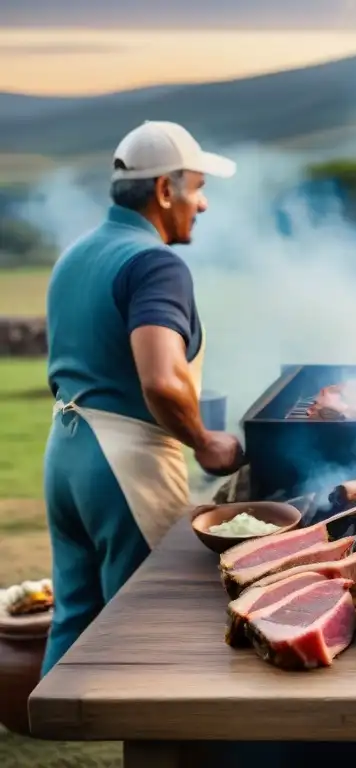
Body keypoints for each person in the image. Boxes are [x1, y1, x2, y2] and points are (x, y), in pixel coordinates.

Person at [42, 121, 248, 674]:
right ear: (164, 191)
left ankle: (51, 737)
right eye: (197, 188)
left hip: (64, 455)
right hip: (124, 466)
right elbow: (159, 377)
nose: (202, 205)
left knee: (77, 615)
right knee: (153, 630)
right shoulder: (156, 264)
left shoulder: (76, 256)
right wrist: (204, 442)